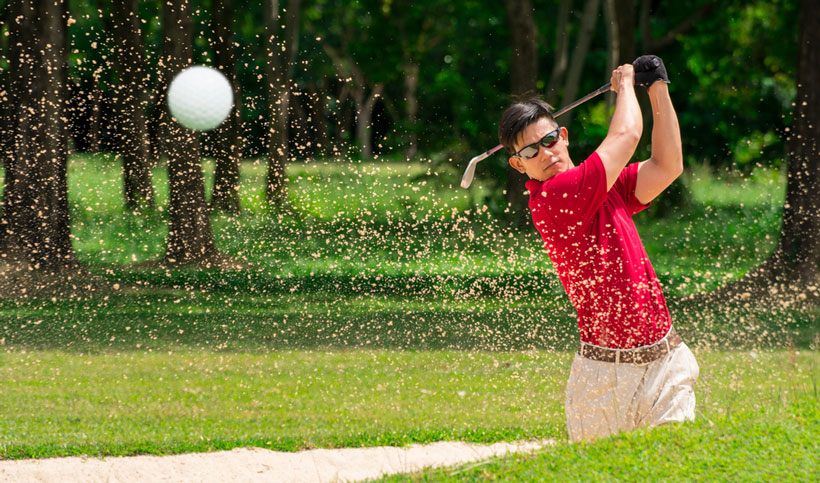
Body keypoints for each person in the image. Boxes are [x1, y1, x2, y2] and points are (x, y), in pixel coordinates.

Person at [498, 56, 698, 442]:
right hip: (607, 378)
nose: (545, 153)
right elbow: (625, 137)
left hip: (666, 359)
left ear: (565, 136)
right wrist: (626, 85)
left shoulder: (603, 186)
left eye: (550, 140)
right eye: (530, 152)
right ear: (518, 166)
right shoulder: (556, 196)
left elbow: (668, 165)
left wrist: (657, 86)